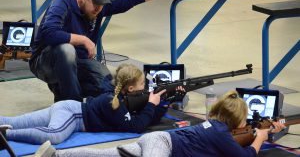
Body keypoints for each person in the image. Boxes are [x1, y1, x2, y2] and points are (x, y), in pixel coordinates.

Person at [29, 0, 189, 102]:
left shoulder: (98, 7)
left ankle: (63, 93)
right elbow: (49, 33)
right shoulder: (62, 4)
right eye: (96, 4)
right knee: (66, 49)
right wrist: (83, 40)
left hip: (77, 63)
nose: (99, 9)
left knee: (108, 85)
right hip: (44, 63)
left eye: (103, 4)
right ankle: (72, 105)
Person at [33, 90, 285, 157]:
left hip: (157, 142)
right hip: (163, 146)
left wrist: (262, 132)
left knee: (107, 155)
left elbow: (238, 141)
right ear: (235, 119)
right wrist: (261, 138)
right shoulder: (220, 134)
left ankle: (57, 154)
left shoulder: (214, 125)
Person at [0, 64, 180, 145]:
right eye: (142, 84)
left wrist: (164, 102)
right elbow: (137, 126)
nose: (145, 87)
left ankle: (6, 130)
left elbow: (145, 117)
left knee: (14, 119)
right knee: (54, 136)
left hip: (69, 108)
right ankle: (6, 136)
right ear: (131, 88)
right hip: (74, 116)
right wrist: (151, 104)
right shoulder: (112, 102)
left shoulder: (117, 95)